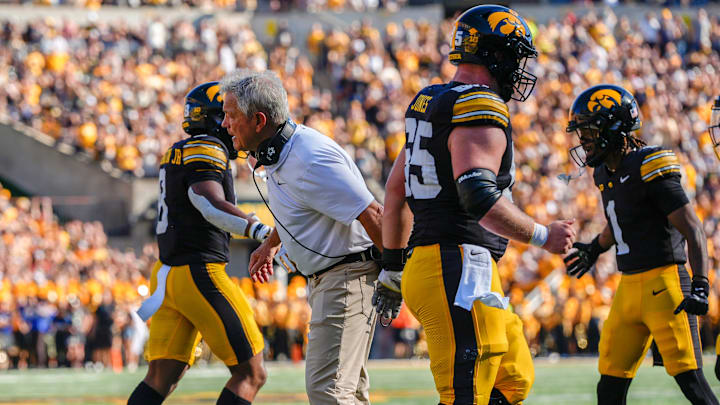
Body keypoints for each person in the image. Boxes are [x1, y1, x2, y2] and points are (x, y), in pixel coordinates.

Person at [374, 5, 576, 405]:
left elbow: (396, 192)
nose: (519, 68)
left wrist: (393, 269)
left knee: (513, 377)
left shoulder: (431, 101)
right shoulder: (478, 105)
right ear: (494, 54)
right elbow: (478, 195)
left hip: (448, 265)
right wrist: (542, 235)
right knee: (465, 396)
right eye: (515, 56)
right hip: (455, 265)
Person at [220, 69, 383, 405]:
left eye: (231, 115)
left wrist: (396, 274)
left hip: (347, 276)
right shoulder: (285, 152)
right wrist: (270, 244)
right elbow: (303, 205)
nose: (225, 124)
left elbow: (373, 213)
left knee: (328, 392)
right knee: (348, 392)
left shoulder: (309, 158)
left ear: (259, 120)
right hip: (335, 277)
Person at [563, 84, 718, 405]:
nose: (583, 141)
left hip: (666, 284)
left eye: (589, 131)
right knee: (609, 387)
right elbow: (621, 218)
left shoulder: (650, 165)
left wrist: (701, 285)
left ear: (613, 128)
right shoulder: (604, 172)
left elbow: (693, 229)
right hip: (628, 286)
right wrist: (594, 247)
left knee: (691, 382)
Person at [127, 81, 274, 405]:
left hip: (167, 274)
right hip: (199, 274)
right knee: (252, 374)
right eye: (223, 116)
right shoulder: (206, 147)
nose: (228, 124)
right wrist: (257, 230)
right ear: (208, 119)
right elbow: (205, 201)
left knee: (160, 378)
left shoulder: (177, 150)